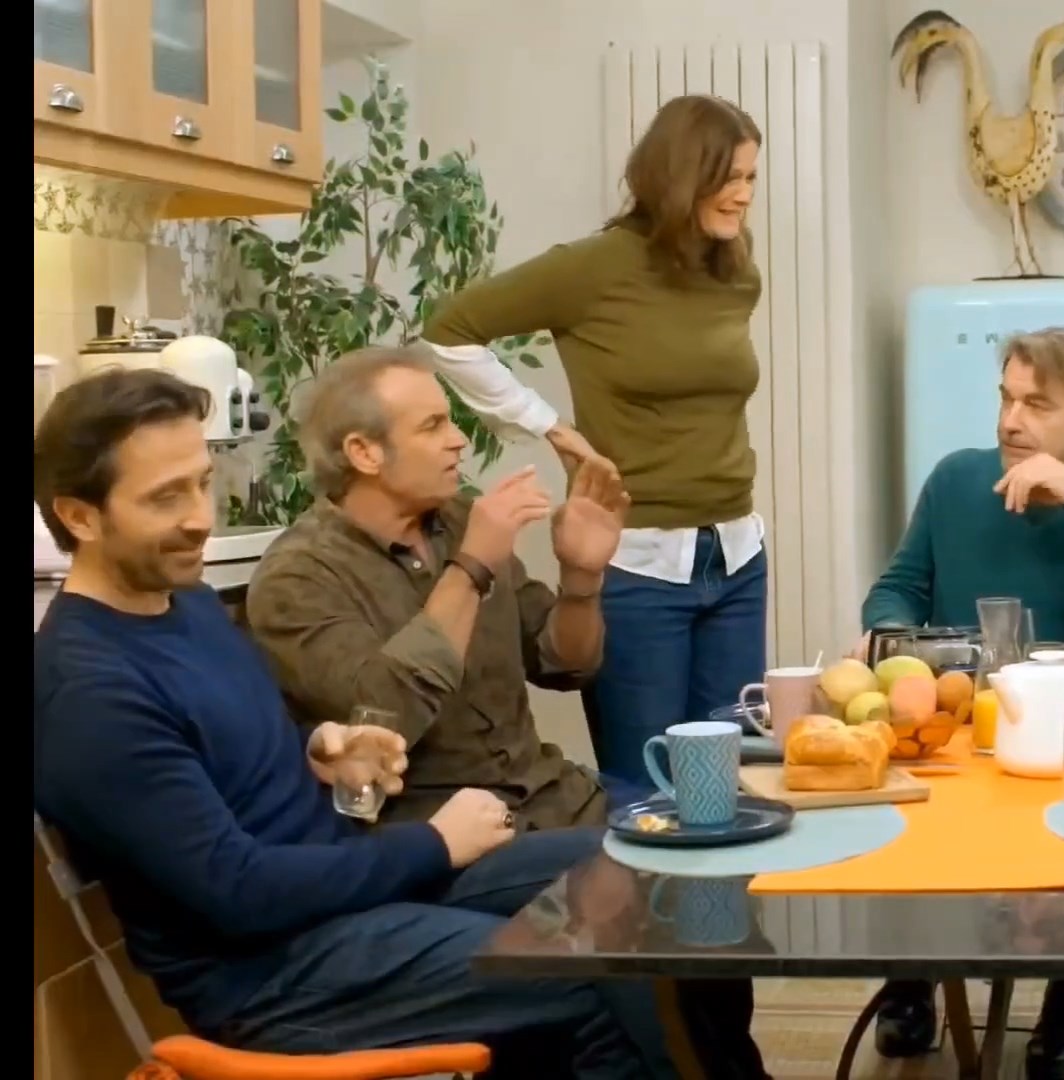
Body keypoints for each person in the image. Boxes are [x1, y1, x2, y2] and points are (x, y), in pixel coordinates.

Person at [32, 369, 679, 1078]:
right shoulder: (89, 693)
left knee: (635, 878)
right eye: (165, 497)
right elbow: (238, 891)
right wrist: (433, 845)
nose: (200, 517)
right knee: (587, 965)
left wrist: (321, 748)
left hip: (340, 897)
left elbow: (219, 750)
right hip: (277, 971)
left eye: (202, 483)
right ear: (80, 517)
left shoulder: (179, 603)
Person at [419, 94, 768, 789]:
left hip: (736, 557)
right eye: (728, 178)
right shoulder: (595, 267)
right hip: (637, 566)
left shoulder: (733, 271)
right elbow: (449, 332)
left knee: (729, 785)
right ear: (680, 176)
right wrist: (546, 424)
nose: (744, 195)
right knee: (647, 793)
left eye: (751, 177)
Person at [858, 327, 1064, 1077]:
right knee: (903, 818)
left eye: (1037, 405)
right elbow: (899, 585)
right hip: (958, 725)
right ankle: (911, 978)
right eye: (1006, 398)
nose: (1011, 421)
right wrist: (888, 636)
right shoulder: (956, 480)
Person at [248, 347, 630, 830]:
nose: (459, 441)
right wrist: (471, 568)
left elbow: (565, 665)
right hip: (443, 830)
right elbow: (385, 714)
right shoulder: (297, 578)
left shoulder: (460, 521)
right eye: (432, 427)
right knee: (640, 864)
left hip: (556, 797)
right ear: (364, 452)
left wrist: (581, 578)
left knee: (706, 829)